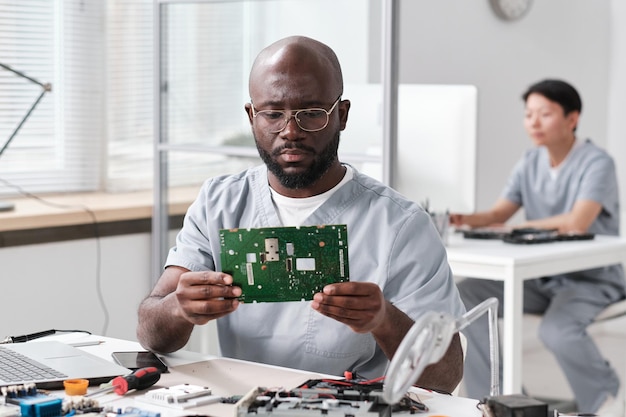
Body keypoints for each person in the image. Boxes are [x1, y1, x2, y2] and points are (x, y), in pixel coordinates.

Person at [136, 36, 466, 394]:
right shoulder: (219, 202)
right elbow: (152, 336)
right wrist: (177, 308)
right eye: (273, 114)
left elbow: (446, 377)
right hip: (241, 402)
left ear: (341, 115)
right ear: (252, 117)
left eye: (311, 113)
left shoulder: (400, 224)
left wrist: (384, 320)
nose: (290, 132)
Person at [450, 79, 625, 414]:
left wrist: (517, 227)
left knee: (557, 331)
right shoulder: (529, 162)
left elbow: (578, 222)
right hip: (541, 277)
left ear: (572, 119)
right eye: (529, 114)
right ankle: (504, 398)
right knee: (467, 296)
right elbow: (499, 213)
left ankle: (605, 398)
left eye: (544, 114)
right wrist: (464, 217)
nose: (533, 122)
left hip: (590, 279)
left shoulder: (597, 162)